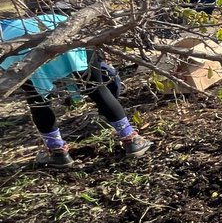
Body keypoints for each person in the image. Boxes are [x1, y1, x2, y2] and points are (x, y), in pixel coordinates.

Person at [2, 13, 152, 167]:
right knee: (98, 89)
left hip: (16, 52)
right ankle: (131, 139)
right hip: (65, 32)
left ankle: (58, 152)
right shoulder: (42, 17)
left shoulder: (3, 37)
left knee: (37, 100)